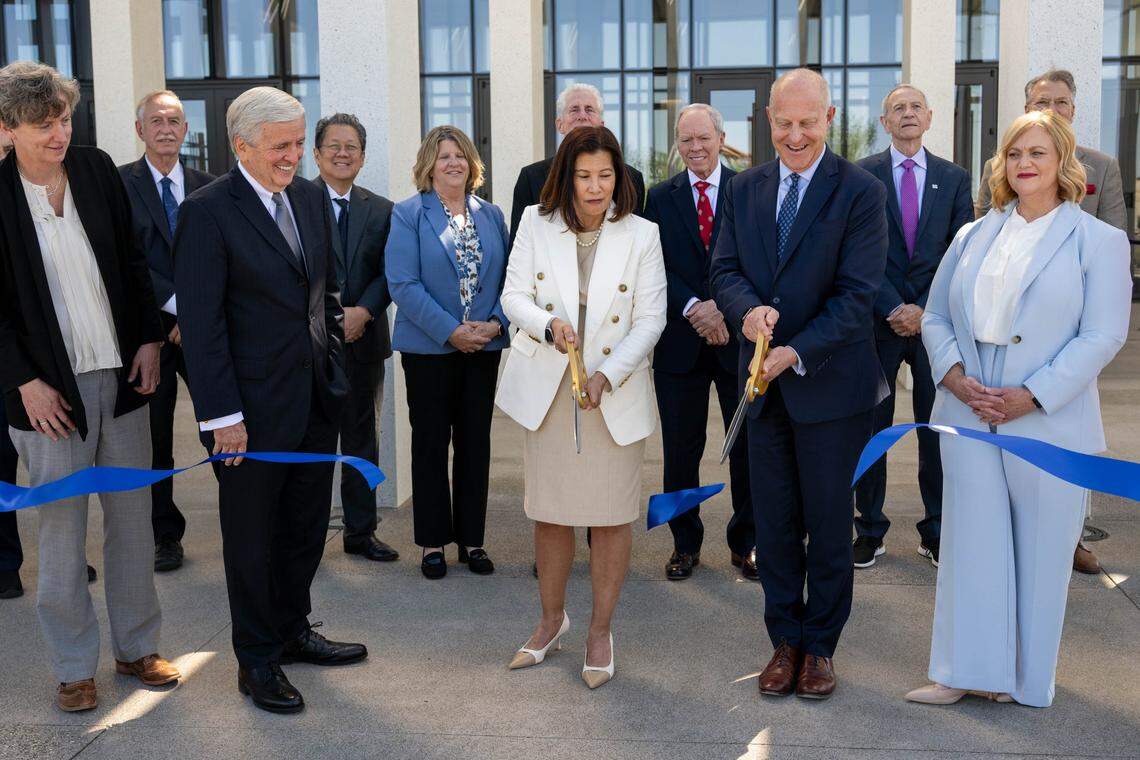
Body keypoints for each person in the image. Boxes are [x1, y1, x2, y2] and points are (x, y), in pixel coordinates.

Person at [906, 110, 1131, 708]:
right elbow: (933, 316)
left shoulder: (1098, 241)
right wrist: (954, 376)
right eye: (1014, 154)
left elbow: (1104, 334)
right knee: (970, 545)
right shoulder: (973, 235)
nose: (1024, 164)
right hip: (970, 402)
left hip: (1047, 411)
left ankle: (1022, 682)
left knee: (1039, 549)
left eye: (1037, 153)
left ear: (1063, 163)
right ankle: (960, 672)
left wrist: (1031, 395)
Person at [174, 86, 365, 715]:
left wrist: (333, 370)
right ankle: (255, 660)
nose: (292, 158)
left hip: (314, 402)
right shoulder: (207, 212)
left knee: (305, 529)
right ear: (241, 146)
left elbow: (326, 297)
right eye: (280, 147)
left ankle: (291, 630)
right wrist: (222, 417)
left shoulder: (309, 198)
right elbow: (202, 327)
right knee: (252, 540)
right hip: (247, 419)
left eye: (295, 143)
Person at [0, 61, 180, 712]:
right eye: (43, 125)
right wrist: (24, 381)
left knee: (132, 523)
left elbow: (134, 262)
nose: (58, 135)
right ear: (6, 129)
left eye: (65, 119)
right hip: (46, 395)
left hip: (122, 375)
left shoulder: (98, 169)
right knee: (61, 529)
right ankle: (75, 667)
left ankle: (137, 649)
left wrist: (152, 339)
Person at [710, 68, 888, 700]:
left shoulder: (861, 191)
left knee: (829, 520)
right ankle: (783, 640)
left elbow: (856, 296)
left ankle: (821, 648)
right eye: (784, 123)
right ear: (767, 120)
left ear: (830, 119)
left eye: (807, 123)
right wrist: (746, 312)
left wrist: (793, 351)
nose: (795, 134)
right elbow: (724, 269)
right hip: (762, 392)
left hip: (830, 388)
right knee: (775, 522)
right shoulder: (747, 188)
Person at [497, 125, 665, 690]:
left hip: (609, 395)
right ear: (564, 178)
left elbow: (651, 319)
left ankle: (599, 629)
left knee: (611, 515)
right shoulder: (533, 223)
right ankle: (551, 620)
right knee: (550, 511)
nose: (596, 188)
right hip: (550, 388)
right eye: (584, 176)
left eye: (605, 175)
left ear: (619, 177)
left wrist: (608, 374)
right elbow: (512, 294)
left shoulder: (643, 234)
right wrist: (547, 324)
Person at [974, 69, 1127, 576]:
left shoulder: (1101, 170)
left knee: (1061, 461)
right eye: (1042, 100)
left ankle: (1074, 534)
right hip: (996, 365)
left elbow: (1112, 243)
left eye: (1061, 101)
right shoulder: (1002, 178)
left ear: (1073, 110)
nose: (1052, 108)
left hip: (1067, 340)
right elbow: (984, 246)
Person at [852, 85, 972, 569]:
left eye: (915, 107)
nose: (907, 114)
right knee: (871, 429)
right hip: (876, 325)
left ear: (929, 117)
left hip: (934, 326)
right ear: (884, 122)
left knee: (935, 428)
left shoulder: (955, 178)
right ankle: (870, 529)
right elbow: (857, 252)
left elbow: (960, 252)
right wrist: (891, 306)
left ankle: (936, 528)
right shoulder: (862, 176)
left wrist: (923, 309)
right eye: (897, 109)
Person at [386, 125, 510, 580]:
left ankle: (472, 541)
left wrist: (496, 322)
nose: (453, 163)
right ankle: (433, 542)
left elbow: (510, 281)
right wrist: (450, 331)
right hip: (429, 350)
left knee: (476, 444)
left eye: (460, 155)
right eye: (443, 157)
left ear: (472, 163)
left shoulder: (492, 214)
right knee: (432, 444)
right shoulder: (408, 214)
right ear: (428, 166)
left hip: (484, 347)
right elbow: (403, 283)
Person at [644, 103, 755, 582]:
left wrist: (724, 309)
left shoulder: (749, 190)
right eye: (686, 140)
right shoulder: (658, 197)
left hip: (737, 341)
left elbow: (758, 262)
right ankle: (684, 544)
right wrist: (694, 307)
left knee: (749, 447)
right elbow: (652, 266)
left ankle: (747, 542)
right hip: (679, 342)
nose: (695, 148)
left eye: (703, 138)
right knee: (680, 450)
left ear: (721, 137)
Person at [119, 90, 215, 573]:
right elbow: (125, 259)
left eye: (174, 120)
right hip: (148, 336)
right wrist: (177, 311)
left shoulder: (209, 185)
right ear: (140, 130)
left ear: (185, 129)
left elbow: (218, 257)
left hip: (205, 334)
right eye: (155, 120)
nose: (166, 128)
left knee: (221, 427)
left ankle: (248, 524)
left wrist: (195, 315)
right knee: (154, 440)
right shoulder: (119, 186)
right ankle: (164, 536)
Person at [311, 113, 398, 563]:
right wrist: (332, 316)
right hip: (311, 344)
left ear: (362, 157)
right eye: (334, 146)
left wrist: (363, 310)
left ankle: (361, 532)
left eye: (352, 147)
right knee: (314, 441)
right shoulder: (296, 200)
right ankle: (307, 535)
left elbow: (391, 271)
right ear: (317, 153)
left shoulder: (382, 209)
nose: (342, 154)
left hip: (365, 340)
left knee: (362, 438)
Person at [509, 83, 645, 248]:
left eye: (589, 109)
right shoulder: (531, 177)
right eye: (574, 110)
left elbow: (636, 242)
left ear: (601, 124)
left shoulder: (631, 178)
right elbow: (518, 249)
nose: (582, 116)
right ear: (560, 124)